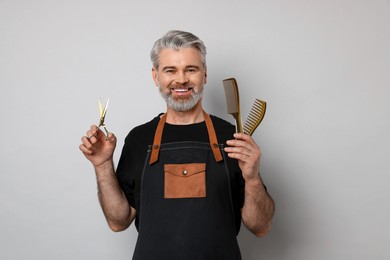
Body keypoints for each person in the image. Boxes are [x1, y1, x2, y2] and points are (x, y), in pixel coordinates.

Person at [79, 30, 275, 260]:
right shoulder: (139, 139)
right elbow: (117, 221)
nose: (181, 79)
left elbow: (260, 227)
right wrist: (102, 165)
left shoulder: (233, 138)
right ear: (156, 76)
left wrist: (252, 178)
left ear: (204, 75)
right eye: (170, 70)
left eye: (191, 69)